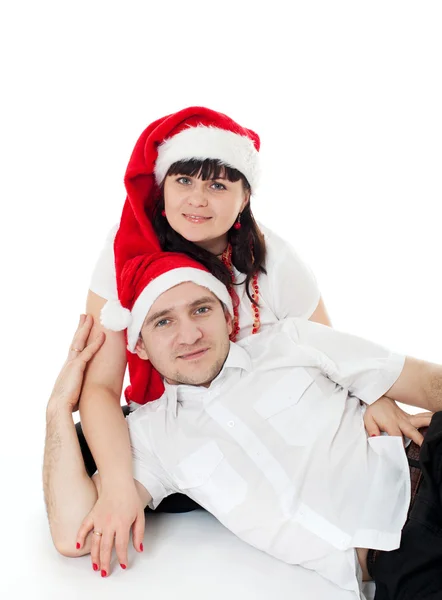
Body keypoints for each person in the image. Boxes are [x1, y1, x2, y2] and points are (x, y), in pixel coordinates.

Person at [45, 252, 441, 599]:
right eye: (163, 322)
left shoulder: (289, 341)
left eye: (201, 309)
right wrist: (58, 408)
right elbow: (71, 532)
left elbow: (428, 384)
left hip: (425, 470)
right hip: (400, 559)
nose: (190, 334)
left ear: (227, 315)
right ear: (141, 346)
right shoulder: (151, 439)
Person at [77, 106, 332, 526]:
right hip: (178, 429)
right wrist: (120, 486)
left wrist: (376, 396)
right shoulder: (123, 254)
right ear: (162, 188)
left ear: (245, 197)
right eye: (183, 180)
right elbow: (101, 386)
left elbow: (329, 351)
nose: (197, 198)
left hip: (272, 426)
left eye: (217, 184)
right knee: (78, 453)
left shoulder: (275, 261)